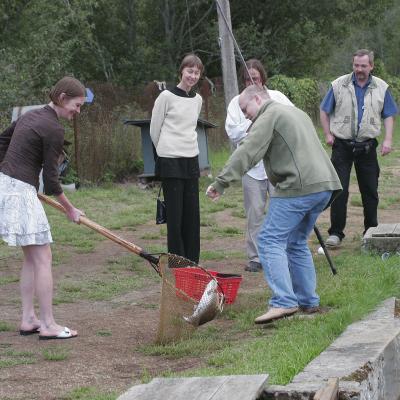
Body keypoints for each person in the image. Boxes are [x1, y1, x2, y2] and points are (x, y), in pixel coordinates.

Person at [206, 85, 341, 324]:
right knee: (296, 242)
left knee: (269, 240)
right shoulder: (295, 112)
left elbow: (248, 151)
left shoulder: (268, 115)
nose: (245, 115)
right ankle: (308, 302)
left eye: (245, 109)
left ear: (258, 99)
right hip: (323, 185)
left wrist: (221, 182)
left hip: (298, 187)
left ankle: (284, 302)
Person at [0, 76, 86, 340]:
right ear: (62, 98)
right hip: (19, 191)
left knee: (31, 257)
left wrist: (8, 174)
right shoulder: (54, 129)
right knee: (43, 257)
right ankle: (48, 324)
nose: (78, 111)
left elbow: (2, 142)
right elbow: (51, 180)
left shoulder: (30, 116)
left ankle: (29, 319)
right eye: (77, 105)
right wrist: (70, 209)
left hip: (7, 185)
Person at [320, 49, 398, 248]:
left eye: (363, 66)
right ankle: (336, 233)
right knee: (339, 190)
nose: (359, 69)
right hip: (342, 146)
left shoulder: (381, 87)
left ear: (371, 66)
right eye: (356, 65)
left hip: (367, 147)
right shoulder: (338, 84)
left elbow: (389, 114)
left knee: (370, 191)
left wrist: (388, 140)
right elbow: (324, 110)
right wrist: (328, 134)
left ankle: (370, 231)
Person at [225, 59, 294, 273]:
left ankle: (283, 253)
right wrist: (256, 120)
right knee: (255, 213)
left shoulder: (277, 97)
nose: (251, 82)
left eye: (254, 78)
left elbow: (292, 119)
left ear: (262, 78)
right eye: (247, 79)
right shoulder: (237, 103)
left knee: (281, 211)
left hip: (278, 165)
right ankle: (255, 257)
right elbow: (234, 132)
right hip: (252, 169)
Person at [150, 54, 203, 263]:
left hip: (191, 159)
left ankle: (193, 261)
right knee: (175, 216)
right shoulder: (166, 97)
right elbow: (155, 130)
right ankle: (178, 262)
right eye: (190, 71)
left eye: (197, 73)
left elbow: (191, 126)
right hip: (170, 160)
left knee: (192, 214)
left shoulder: (198, 100)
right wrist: (165, 150)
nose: (193, 76)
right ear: (181, 71)